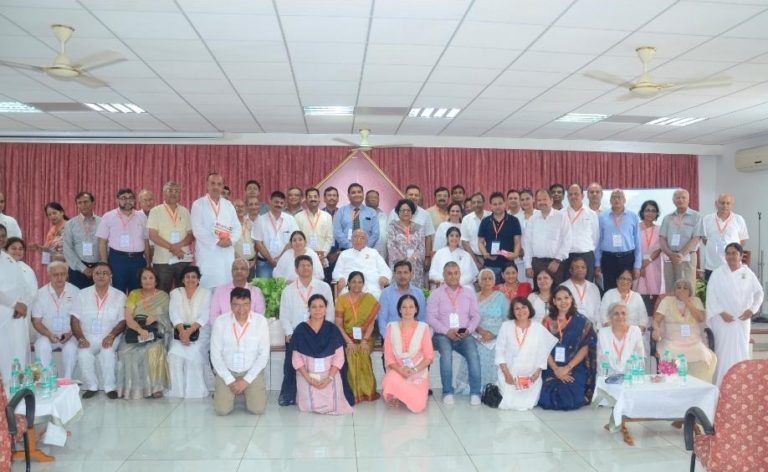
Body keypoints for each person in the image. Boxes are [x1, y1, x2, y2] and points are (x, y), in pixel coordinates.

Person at [277, 255, 335, 406]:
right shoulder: (288, 290)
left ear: (312, 268)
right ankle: (288, 395)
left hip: (319, 333)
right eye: (302, 266)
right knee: (290, 365)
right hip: (296, 335)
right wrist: (289, 333)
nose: (306, 268)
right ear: (296, 269)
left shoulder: (323, 287)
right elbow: (284, 315)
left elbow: (330, 313)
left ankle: (320, 393)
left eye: (308, 265)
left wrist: (325, 332)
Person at [706, 243, 764, 385]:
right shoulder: (717, 273)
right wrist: (721, 312)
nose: (730, 256)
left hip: (741, 322)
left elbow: (759, 294)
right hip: (722, 321)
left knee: (741, 351)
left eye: (734, 253)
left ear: (741, 255)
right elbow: (711, 296)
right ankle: (721, 386)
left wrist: (752, 310)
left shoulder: (748, 274)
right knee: (722, 353)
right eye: (728, 253)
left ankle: (740, 386)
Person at [70, 262, 127, 399]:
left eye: (105, 273)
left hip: (109, 334)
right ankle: (92, 386)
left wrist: (111, 336)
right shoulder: (82, 294)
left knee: (107, 352)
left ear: (111, 276)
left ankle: (110, 387)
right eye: (97, 273)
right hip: (87, 335)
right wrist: (81, 338)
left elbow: (123, 321)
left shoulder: (119, 296)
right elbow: (74, 320)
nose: (101, 276)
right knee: (83, 353)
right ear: (92, 276)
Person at [426, 261, 481, 405]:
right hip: (442, 334)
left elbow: (476, 316)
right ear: (444, 275)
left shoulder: (469, 293)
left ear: (460, 274)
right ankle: (447, 392)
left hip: (464, 333)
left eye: (456, 273)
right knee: (446, 354)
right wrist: (446, 331)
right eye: (449, 273)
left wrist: (468, 330)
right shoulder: (435, 294)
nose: (453, 276)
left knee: (473, 354)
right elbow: (430, 318)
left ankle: (475, 392)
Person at [210, 287, 270, 415]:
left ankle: (245, 390)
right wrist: (229, 379)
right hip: (227, 370)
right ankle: (232, 391)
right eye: (236, 305)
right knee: (222, 411)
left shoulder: (260, 322)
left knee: (257, 409)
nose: (241, 309)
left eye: (245, 304)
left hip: (251, 370)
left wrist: (246, 380)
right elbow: (215, 355)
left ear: (251, 304)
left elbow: (263, 355)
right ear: (230, 305)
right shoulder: (220, 322)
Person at [292, 294, 355, 414]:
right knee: (308, 406)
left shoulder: (333, 329)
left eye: (321, 306)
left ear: (326, 309)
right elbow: (296, 359)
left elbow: (339, 358)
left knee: (334, 405)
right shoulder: (301, 329)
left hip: (329, 374)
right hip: (307, 374)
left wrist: (329, 378)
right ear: (309, 309)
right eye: (314, 307)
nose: (318, 310)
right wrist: (308, 378)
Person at [538, 286, 597, 411]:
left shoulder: (582, 322)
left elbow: (585, 348)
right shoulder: (547, 321)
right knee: (546, 396)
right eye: (559, 299)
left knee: (570, 396)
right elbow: (543, 348)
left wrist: (567, 368)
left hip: (574, 366)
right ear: (554, 301)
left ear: (571, 299)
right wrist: (556, 369)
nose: (563, 302)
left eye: (566, 298)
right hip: (552, 366)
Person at [117, 267, 171, 399]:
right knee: (125, 352)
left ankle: (155, 388)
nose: (148, 281)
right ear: (140, 281)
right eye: (144, 278)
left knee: (154, 349)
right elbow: (128, 317)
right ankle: (133, 390)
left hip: (156, 330)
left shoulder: (163, 296)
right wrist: (139, 330)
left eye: (151, 278)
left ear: (156, 280)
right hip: (135, 329)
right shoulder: (134, 294)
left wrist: (157, 317)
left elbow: (169, 317)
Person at [495, 297, 558, 410]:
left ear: (529, 309)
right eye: (517, 309)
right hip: (509, 375)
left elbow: (543, 352)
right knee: (507, 404)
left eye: (524, 307)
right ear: (513, 312)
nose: (521, 311)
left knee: (527, 404)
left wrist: (537, 372)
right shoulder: (506, 326)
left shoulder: (538, 328)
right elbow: (499, 352)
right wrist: (507, 374)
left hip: (530, 376)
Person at [653, 279, 717, 383]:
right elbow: (656, 320)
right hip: (672, 343)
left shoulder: (696, 301)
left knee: (703, 355)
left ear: (690, 291)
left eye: (685, 288)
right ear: (674, 290)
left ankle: (698, 387)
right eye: (678, 287)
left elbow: (700, 318)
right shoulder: (667, 301)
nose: (681, 290)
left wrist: (687, 301)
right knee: (668, 356)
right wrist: (656, 329)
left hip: (694, 343)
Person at [457, 268, 509, 394]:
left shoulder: (500, 297)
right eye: (484, 279)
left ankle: (492, 387)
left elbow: (507, 320)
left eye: (490, 278)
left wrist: (494, 335)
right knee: (474, 348)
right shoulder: (473, 298)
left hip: (497, 335)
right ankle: (475, 387)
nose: (487, 281)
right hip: (476, 333)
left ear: (494, 281)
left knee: (493, 349)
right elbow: (467, 319)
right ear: (479, 282)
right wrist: (480, 331)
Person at [382, 294, 434, 413]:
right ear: (399, 310)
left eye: (411, 307)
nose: (408, 310)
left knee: (418, 406)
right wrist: (401, 371)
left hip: (417, 371)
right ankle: (399, 395)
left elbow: (429, 357)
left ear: (416, 309)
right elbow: (389, 357)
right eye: (404, 307)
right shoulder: (391, 327)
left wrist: (414, 370)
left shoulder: (423, 328)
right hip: (398, 370)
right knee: (389, 379)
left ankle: (400, 395)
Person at [334, 271, 381, 402]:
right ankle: (353, 393)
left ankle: (367, 392)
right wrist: (349, 342)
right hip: (346, 336)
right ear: (348, 283)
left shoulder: (369, 298)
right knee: (351, 353)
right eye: (354, 281)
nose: (357, 284)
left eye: (360, 282)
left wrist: (365, 340)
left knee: (363, 352)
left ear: (363, 284)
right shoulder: (341, 300)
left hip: (367, 336)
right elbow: (338, 325)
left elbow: (371, 324)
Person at [191, 173, 241, 289]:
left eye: (219, 184)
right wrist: (216, 241)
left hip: (226, 255)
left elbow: (237, 227)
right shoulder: (198, 204)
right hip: (208, 255)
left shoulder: (228, 205)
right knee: (207, 290)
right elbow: (197, 230)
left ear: (223, 187)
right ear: (207, 185)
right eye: (212, 183)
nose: (216, 187)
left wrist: (231, 241)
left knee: (227, 290)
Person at [167, 265, 211, 398]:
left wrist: (189, 332)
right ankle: (177, 392)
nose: (190, 280)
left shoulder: (206, 293)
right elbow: (174, 314)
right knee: (174, 353)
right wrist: (182, 332)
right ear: (182, 279)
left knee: (193, 351)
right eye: (187, 277)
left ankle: (194, 392)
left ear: (198, 280)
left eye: (194, 277)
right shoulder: (175, 293)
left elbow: (204, 316)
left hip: (200, 330)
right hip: (179, 331)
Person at [31, 261, 79, 379]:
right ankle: (47, 380)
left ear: (67, 275)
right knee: (42, 346)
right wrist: (49, 334)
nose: (59, 277)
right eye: (55, 274)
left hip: (69, 335)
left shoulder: (76, 292)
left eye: (62, 274)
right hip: (46, 334)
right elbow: (36, 321)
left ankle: (67, 381)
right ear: (49, 276)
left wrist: (70, 333)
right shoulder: (40, 294)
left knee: (71, 349)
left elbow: (80, 319)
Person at [96, 188, 149, 293]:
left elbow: (146, 240)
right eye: (123, 198)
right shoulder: (108, 216)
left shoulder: (142, 216)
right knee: (117, 291)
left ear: (134, 200)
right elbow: (102, 242)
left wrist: (148, 261)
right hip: (117, 260)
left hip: (138, 260)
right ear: (117, 200)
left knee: (137, 292)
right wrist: (105, 263)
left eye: (131, 198)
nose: (127, 201)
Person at [148, 181, 194, 292]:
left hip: (182, 259)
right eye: (170, 190)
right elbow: (153, 235)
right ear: (164, 193)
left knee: (183, 293)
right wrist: (173, 249)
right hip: (163, 261)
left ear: (180, 194)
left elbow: (190, 235)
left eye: (176, 191)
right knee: (162, 294)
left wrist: (178, 246)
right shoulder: (155, 211)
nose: (173, 193)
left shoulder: (185, 211)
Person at [595, 189, 641, 292]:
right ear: (610, 200)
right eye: (614, 197)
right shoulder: (602, 217)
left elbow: (638, 242)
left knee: (626, 289)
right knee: (609, 290)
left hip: (627, 258)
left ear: (624, 200)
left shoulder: (633, 216)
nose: (616, 200)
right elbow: (598, 241)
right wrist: (597, 263)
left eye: (619, 197)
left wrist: (637, 265)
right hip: (608, 259)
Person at [0, 228, 31, 381]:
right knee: (3, 354)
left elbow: (22, 286)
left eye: (3, 236)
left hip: (16, 315)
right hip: (3, 313)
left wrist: (22, 304)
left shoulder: (8, 259)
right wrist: (13, 304)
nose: (1, 239)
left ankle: (17, 387)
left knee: (18, 353)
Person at [523, 189, 570, 288]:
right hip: (537, 263)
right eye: (539, 200)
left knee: (557, 292)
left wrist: (557, 260)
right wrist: (528, 265)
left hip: (556, 263)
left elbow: (567, 241)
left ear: (551, 200)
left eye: (544, 199)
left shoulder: (561, 217)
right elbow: (527, 244)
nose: (542, 202)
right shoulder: (532, 219)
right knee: (539, 292)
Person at [659, 189, 702, 294]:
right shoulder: (667, 218)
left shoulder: (696, 217)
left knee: (687, 289)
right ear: (673, 201)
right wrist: (671, 254)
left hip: (687, 257)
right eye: (677, 198)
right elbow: (662, 238)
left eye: (683, 197)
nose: (680, 200)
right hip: (670, 258)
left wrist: (681, 254)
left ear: (688, 199)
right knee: (670, 289)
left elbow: (696, 238)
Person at [700, 193, 749, 281]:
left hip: (732, 265)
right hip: (711, 266)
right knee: (711, 289)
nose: (725, 206)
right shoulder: (706, 219)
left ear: (732, 205)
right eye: (722, 203)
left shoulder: (739, 219)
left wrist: (731, 251)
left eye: (728, 203)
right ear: (716, 204)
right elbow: (704, 239)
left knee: (732, 289)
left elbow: (742, 241)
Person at [332, 229, 392, 299]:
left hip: (371, 287)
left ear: (366, 241)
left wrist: (384, 277)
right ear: (351, 239)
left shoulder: (373, 253)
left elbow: (385, 270)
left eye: (362, 238)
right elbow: (336, 272)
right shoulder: (344, 254)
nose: (358, 240)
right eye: (355, 237)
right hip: (350, 286)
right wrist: (340, 278)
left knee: (377, 296)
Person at [253, 191, 299, 279]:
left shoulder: (290, 219)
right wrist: (271, 260)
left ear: (284, 204)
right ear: (270, 201)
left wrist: (280, 258)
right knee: (264, 287)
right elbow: (259, 243)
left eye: (281, 203)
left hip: (285, 263)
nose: (279, 205)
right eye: (276, 202)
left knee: (283, 287)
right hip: (264, 263)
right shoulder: (260, 220)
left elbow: (293, 240)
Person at [478, 191, 522, 283]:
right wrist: (484, 253)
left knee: (508, 290)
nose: (497, 206)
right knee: (490, 289)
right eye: (495, 204)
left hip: (508, 265)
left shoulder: (514, 220)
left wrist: (515, 254)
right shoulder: (485, 221)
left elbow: (517, 242)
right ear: (490, 206)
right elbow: (480, 242)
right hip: (490, 263)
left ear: (505, 204)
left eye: (500, 203)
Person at [387, 184, 436, 263]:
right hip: (397, 261)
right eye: (411, 194)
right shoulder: (394, 212)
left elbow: (427, 237)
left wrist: (426, 257)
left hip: (416, 260)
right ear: (405, 195)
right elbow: (390, 241)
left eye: (416, 195)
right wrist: (402, 260)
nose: (413, 197)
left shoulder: (425, 214)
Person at [378, 260, 427, 337]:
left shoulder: (418, 293)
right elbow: (382, 320)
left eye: (405, 272)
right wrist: (388, 338)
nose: (402, 276)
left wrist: (418, 337)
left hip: (414, 336)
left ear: (411, 274)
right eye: (399, 273)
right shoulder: (386, 293)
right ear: (394, 275)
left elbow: (422, 319)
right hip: (392, 335)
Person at [63, 191, 101, 289]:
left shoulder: (102, 222)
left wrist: (100, 266)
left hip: (99, 269)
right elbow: (67, 249)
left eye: (86, 202)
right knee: (77, 297)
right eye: (79, 203)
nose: (83, 205)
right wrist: (83, 269)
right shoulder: (70, 224)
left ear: (93, 203)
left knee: (98, 297)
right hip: (77, 269)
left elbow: (107, 246)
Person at [387, 199, 426, 287]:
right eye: (403, 210)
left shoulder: (419, 228)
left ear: (412, 212)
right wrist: (403, 259)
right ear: (398, 212)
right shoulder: (393, 227)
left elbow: (421, 247)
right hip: (398, 264)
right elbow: (391, 246)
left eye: (408, 210)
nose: (406, 212)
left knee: (414, 291)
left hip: (415, 265)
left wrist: (412, 259)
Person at [597, 303, 645, 376]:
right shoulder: (603, 333)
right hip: (609, 378)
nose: (620, 316)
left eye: (623, 313)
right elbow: (601, 362)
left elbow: (640, 359)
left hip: (631, 377)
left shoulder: (635, 332)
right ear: (610, 317)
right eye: (616, 314)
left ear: (627, 316)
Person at [564, 183, 598, 282]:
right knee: (567, 286)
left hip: (586, 255)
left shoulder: (591, 214)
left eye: (576, 194)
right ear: (567, 197)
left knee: (587, 285)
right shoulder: (561, 214)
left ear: (582, 196)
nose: (573, 196)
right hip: (567, 256)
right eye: (570, 194)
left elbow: (595, 236)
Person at [635, 200, 664, 316]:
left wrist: (648, 262)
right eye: (647, 210)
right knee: (639, 292)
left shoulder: (659, 229)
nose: (650, 213)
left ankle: (653, 321)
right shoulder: (635, 228)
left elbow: (660, 248)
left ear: (657, 213)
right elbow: (633, 248)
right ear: (642, 212)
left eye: (653, 211)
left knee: (654, 292)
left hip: (654, 264)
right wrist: (639, 265)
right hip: (638, 265)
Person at [295, 187, 333, 270]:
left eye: (315, 196)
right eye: (310, 197)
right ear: (306, 200)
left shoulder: (327, 216)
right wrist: (304, 255)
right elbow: (297, 239)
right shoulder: (298, 217)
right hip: (303, 258)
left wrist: (323, 254)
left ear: (319, 199)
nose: (313, 199)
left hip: (321, 258)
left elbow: (329, 238)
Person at [333, 183, 379, 249]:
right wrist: (350, 246)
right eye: (353, 192)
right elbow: (337, 232)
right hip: (345, 250)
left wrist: (365, 247)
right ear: (348, 196)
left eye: (359, 192)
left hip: (366, 250)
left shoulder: (372, 212)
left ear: (363, 194)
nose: (357, 194)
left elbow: (375, 234)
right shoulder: (341, 211)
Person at [560, 257, 602, 327]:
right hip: (570, 326)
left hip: (592, 327)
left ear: (586, 270)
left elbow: (598, 310)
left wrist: (598, 328)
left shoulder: (593, 287)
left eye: (583, 267)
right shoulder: (563, 287)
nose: (580, 269)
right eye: (577, 267)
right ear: (570, 270)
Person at [460, 191, 491, 271]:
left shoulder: (491, 216)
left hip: (492, 257)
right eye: (474, 202)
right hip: (474, 257)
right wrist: (475, 261)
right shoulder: (466, 219)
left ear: (483, 203)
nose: (476, 204)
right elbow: (465, 243)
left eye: (479, 202)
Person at [232, 198, 257, 275]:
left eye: (242, 206)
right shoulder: (229, 224)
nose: (240, 209)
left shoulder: (250, 223)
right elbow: (229, 245)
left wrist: (255, 260)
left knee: (250, 283)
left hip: (251, 263)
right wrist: (240, 261)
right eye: (237, 207)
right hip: (236, 264)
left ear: (245, 208)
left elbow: (256, 243)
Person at [366, 189, 389, 259]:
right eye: (371, 197)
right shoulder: (360, 214)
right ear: (365, 200)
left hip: (382, 252)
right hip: (366, 251)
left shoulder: (384, 215)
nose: (373, 199)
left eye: (376, 197)